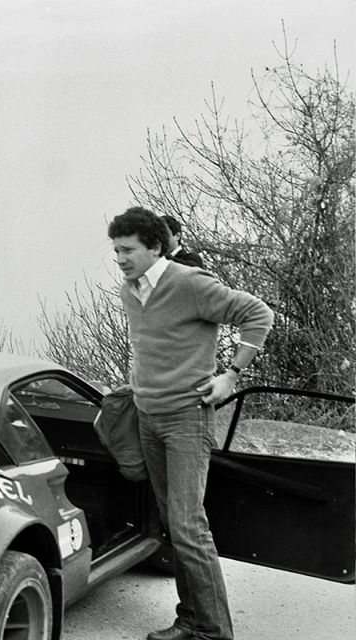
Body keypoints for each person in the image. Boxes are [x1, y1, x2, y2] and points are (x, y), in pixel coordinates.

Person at [109, 207, 273, 640]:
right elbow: (153, 347)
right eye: (115, 251)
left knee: (187, 526)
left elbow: (258, 314)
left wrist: (231, 374)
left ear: (155, 247)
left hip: (186, 419)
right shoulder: (130, 290)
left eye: (127, 250)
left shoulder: (190, 283)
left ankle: (215, 632)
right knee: (172, 524)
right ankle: (189, 621)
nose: (120, 259)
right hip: (148, 417)